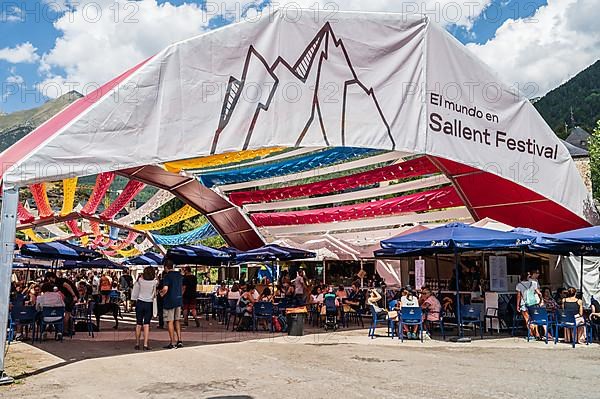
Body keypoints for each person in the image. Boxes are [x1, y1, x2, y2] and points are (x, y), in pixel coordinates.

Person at [132, 266, 157, 351]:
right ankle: (145, 344)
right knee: (146, 324)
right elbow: (154, 294)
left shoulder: (140, 280)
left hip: (140, 303)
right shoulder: (154, 282)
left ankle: (137, 343)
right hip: (149, 304)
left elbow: (136, 287)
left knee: (138, 324)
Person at [160, 259, 184, 349]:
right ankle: (179, 340)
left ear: (166, 267)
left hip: (169, 301)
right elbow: (182, 287)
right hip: (178, 300)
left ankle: (172, 342)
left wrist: (161, 293)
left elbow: (165, 289)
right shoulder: (179, 275)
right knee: (177, 320)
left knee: (170, 321)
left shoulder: (167, 276)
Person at [45, 272, 77, 336]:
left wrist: (74, 295)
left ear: (51, 277)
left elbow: (67, 286)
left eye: (48, 278)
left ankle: (65, 330)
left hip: (70, 297)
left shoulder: (59, 281)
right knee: (68, 313)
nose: (48, 280)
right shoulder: (58, 282)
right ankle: (70, 329)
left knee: (67, 313)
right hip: (68, 297)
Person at [515, 271, 542, 338]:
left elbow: (518, 296)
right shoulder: (534, 283)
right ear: (528, 277)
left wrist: (517, 305)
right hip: (533, 303)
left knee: (527, 319)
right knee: (534, 318)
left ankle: (531, 334)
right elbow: (539, 293)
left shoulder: (519, 285)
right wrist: (540, 301)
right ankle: (537, 333)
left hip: (524, 304)